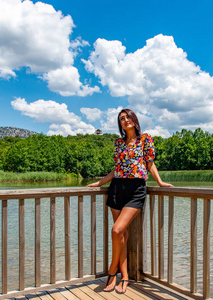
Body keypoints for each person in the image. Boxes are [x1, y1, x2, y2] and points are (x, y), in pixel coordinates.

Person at [87, 108, 173, 294]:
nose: (125, 120)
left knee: (116, 229)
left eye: (127, 117)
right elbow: (117, 169)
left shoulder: (145, 139)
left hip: (136, 190)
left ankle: (112, 271)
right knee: (121, 235)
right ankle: (124, 277)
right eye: (122, 119)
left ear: (134, 120)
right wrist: (100, 182)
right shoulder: (119, 143)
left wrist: (159, 181)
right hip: (117, 188)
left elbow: (149, 163)